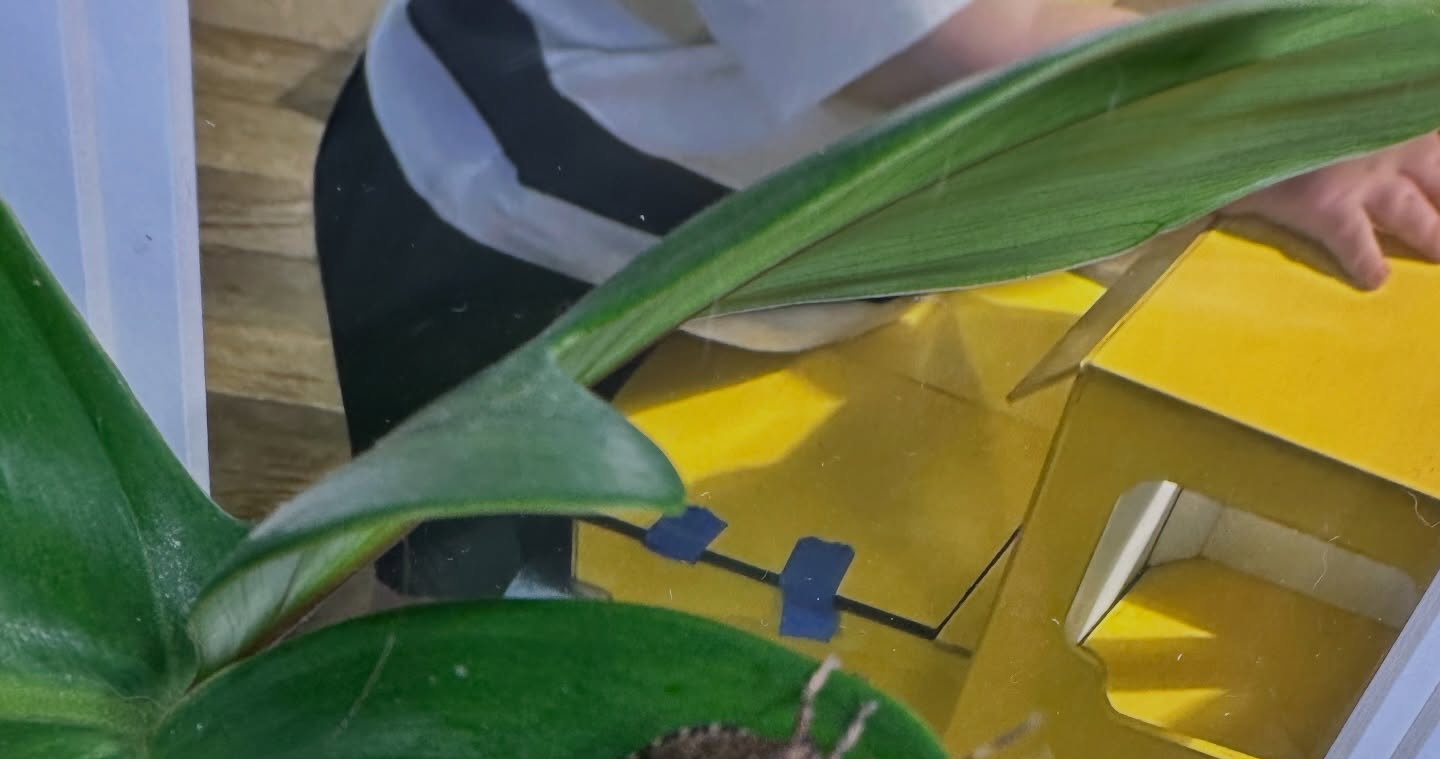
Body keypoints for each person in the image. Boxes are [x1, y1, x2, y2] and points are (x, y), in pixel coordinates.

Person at [315, 0, 1440, 595]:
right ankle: (402, 650)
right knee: (447, 511)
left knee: (641, 494)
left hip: (797, 231)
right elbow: (959, 41)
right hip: (509, 210)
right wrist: (1283, 131)